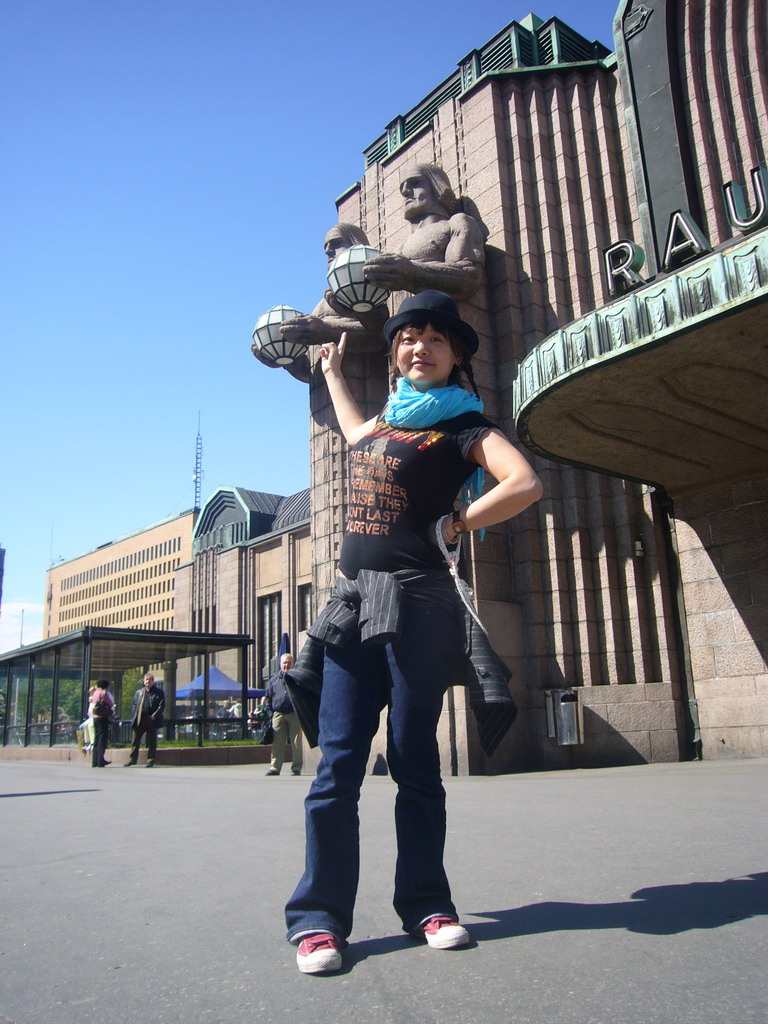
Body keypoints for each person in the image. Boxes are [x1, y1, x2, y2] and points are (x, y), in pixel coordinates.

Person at [283, 289, 542, 974]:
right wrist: (333, 374)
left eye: (432, 337)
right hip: (353, 607)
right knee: (337, 764)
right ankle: (317, 921)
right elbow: (352, 430)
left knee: (414, 760)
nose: (416, 346)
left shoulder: (465, 429)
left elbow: (524, 483)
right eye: (405, 338)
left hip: (421, 606)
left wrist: (460, 522)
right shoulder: (387, 427)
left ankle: (427, 904)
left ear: (457, 355)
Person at [362, 164, 485, 301]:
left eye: (415, 183)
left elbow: (469, 277)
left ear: (437, 186)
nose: (406, 191)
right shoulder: (400, 246)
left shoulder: (457, 222)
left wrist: (412, 273)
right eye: (402, 188)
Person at [264, 653, 303, 777]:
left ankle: (296, 768)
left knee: (297, 743)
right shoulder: (274, 680)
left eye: (289, 662)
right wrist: (271, 713)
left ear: (293, 664)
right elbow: (269, 697)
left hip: (294, 714)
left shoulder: (297, 679)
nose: (286, 665)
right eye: (284, 663)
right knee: (277, 742)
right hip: (278, 714)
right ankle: (275, 767)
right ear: (280, 664)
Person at [124, 673, 165, 768]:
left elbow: (161, 706)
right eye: (146, 680)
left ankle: (150, 761)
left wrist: (154, 715)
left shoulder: (159, 692)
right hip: (140, 719)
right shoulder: (139, 692)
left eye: (149, 680)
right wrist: (134, 715)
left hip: (151, 720)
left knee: (152, 741)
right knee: (135, 740)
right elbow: (134, 705)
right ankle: (132, 760)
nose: (147, 681)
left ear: (153, 681)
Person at [89, 680, 114, 767]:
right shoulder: (103, 693)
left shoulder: (95, 693)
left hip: (95, 717)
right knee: (102, 739)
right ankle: (100, 760)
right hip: (103, 717)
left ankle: (94, 761)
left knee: (96, 739)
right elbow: (110, 704)